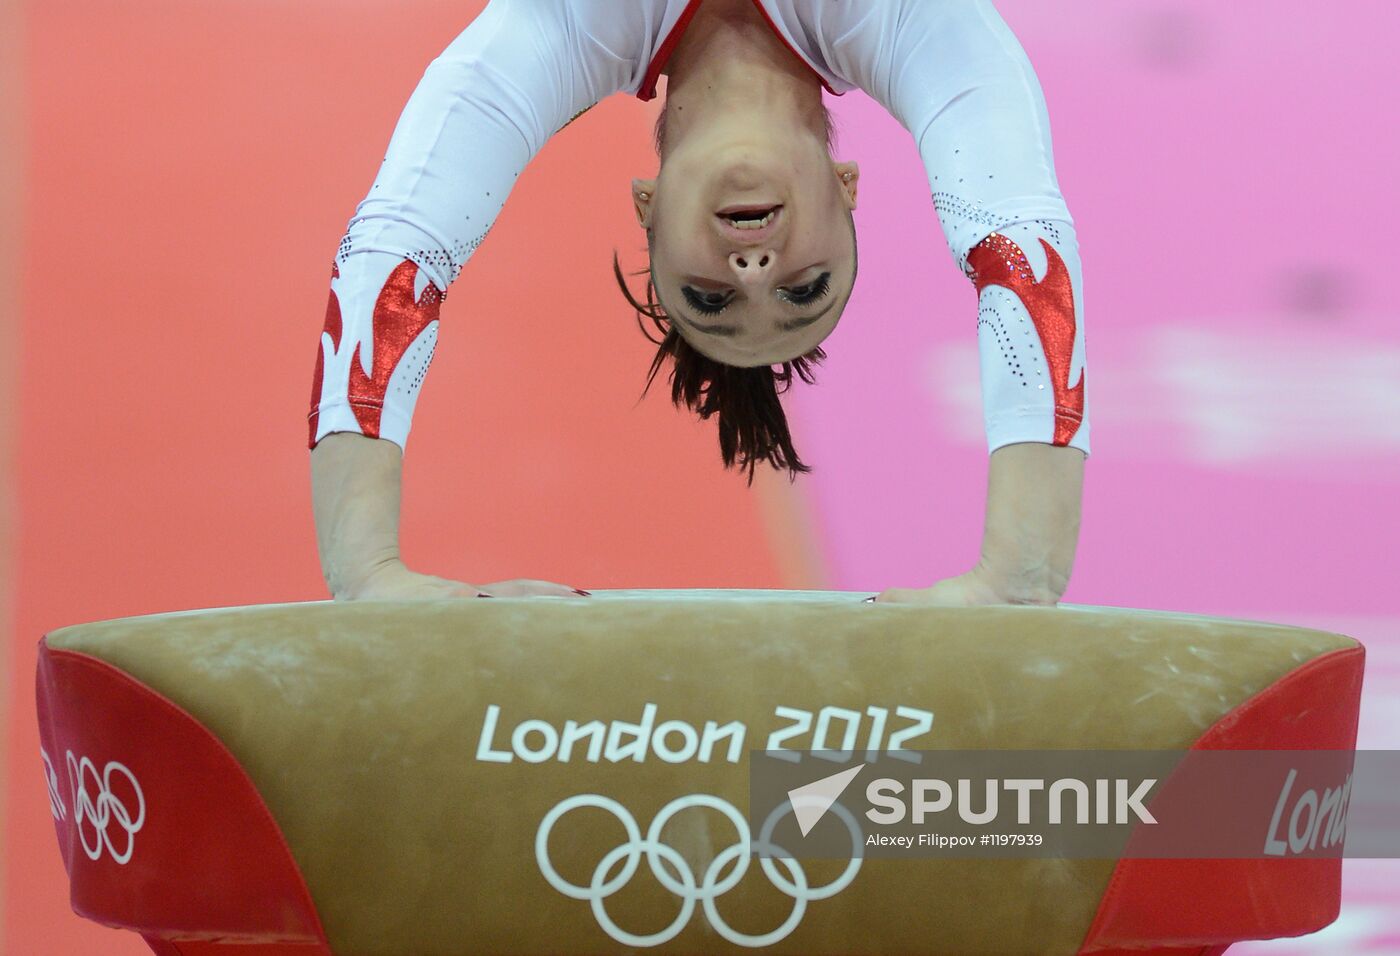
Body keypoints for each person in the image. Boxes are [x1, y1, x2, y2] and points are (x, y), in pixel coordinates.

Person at [308, 0, 1089, 605]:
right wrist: (1021, 574)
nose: (752, 272)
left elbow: (400, 248)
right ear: (845, 187)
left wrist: (367, 574)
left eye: (708, 297)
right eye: (803, 289)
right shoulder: (901, 18)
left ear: (647, 209)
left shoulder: (573, 24)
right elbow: (1023, 250)